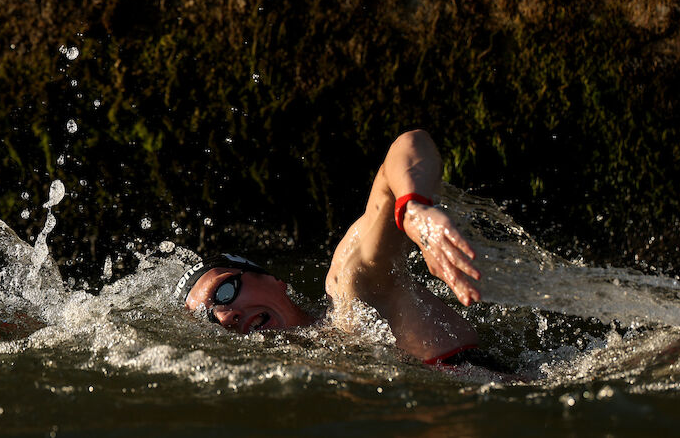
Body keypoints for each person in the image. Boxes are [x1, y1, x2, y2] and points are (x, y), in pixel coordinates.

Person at [176, 129, 484, 365]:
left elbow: (407, 144)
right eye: (209, 318)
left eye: (224, 292)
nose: (225, 317)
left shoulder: (356, 297)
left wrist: (412, 209)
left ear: (273, 280)